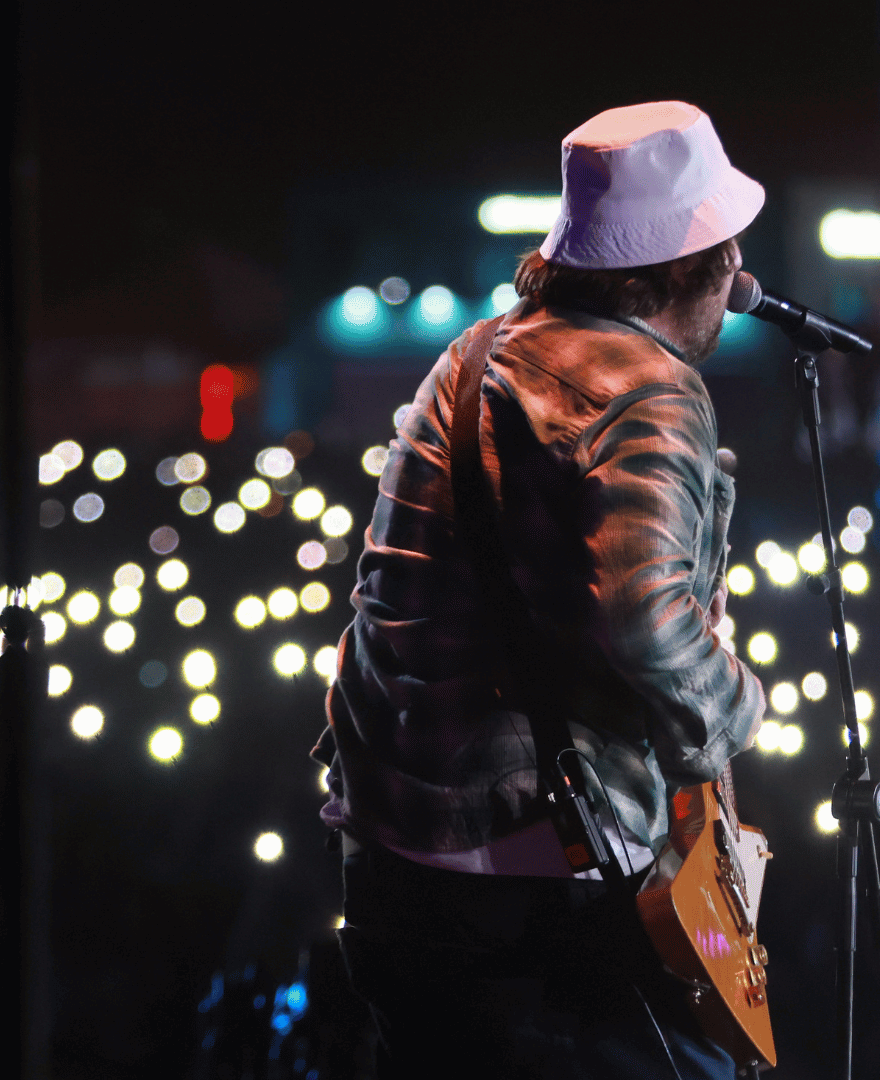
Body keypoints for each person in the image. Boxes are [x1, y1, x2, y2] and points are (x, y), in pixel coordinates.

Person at [311, 101, 768, 1079]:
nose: (742, 276)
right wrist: (734, 711)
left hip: (394, 865)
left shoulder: (470, 358)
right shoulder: (651, 386)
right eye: (729, 251)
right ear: (691, 267)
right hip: (541, 890)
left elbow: (387, 597)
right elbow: (648, 620)